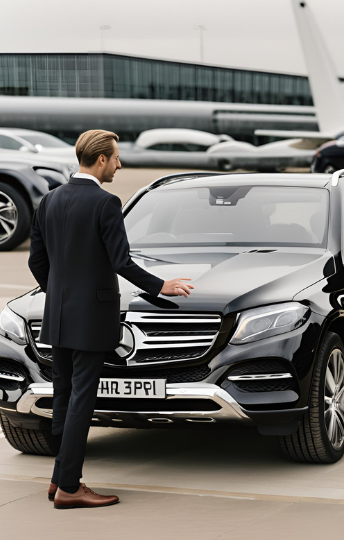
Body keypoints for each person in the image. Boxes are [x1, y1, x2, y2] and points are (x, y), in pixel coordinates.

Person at [28, 129, 194, 509]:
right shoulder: (106, 203)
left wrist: (60, 296)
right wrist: (161, 286)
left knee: (64, 396)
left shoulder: (49, 200)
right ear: (101, 160)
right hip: (91, 319)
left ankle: (58, 479)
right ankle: (71, 487)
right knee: (82, 400)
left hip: (58, 317)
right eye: (116, 158)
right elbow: (122, 261)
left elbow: (37, 262)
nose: (120, 164)